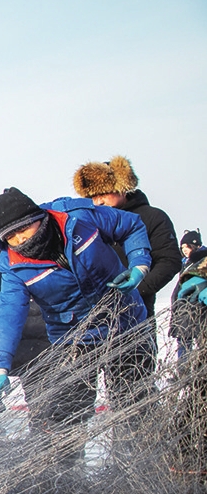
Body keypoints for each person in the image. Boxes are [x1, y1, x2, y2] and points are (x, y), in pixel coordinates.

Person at [0, 188, 152, 436]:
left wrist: (139, 266)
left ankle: (134, 461)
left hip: (126, 322)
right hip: (73, 339)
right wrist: (0, 367)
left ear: (38, 219)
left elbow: (131, 225)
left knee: (134, 404)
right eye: (11, 236)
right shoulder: (12, 266)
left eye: (23, 229)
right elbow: (8, 313)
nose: (20, 240)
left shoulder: (79, 218)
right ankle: (64, 469)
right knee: (68, 414)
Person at [73, 156, 180, 378]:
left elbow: (169, 261)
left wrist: (135, 291)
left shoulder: (153, 217)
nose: (99, 201)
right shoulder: (86, 225)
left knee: (132, 386)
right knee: (82, 394)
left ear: (122, 189)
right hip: (92, 322)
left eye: (104, 193)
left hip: (136, 318)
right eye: (93, 196)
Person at [171, 229, 206, 358]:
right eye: (182, 247)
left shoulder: (203, 262)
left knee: (199, 346)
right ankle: (183, 375)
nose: (184, 250)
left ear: (196, 245)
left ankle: (193, 375)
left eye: (187, 246)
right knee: (184, 345)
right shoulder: (185, 263)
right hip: (184, 312)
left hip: (197, 311)